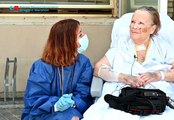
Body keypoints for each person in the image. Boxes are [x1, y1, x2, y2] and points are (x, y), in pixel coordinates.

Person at [82, 6, 174, 120]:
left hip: (156, 99)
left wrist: (157, 75)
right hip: (124, 97)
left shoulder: (163, 47)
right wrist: (124, 77)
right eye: (133, 22)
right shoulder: (121, 45)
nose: (134, 26)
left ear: (152, 29)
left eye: (141, 23)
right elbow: (98, 69)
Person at [21, 19, 93, 120]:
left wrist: (73, 102)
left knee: (73, 116)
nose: (84, 37)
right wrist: (55, 104)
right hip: (41, 114)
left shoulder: (84, 63)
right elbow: (33, 99)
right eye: (80, 35)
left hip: (73, 111)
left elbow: (84, 94)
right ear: (67, 41)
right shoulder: (42, 66)